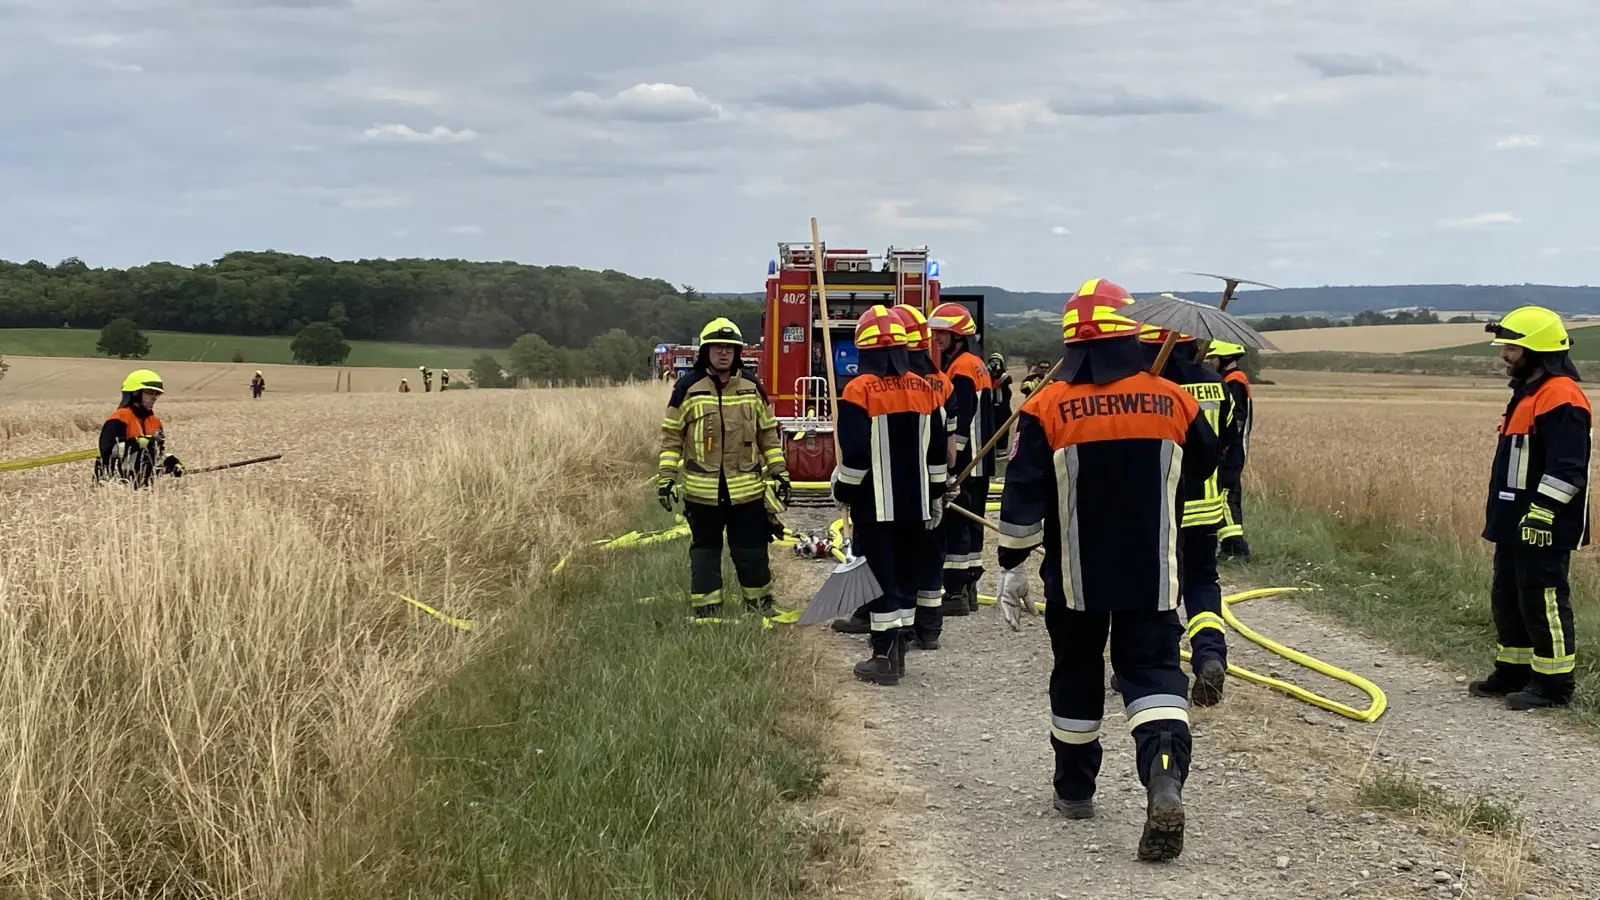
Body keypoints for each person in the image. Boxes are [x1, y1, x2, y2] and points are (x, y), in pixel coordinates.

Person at [991, 277, 1219, 862]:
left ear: (1072, 344)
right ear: (1129, 336)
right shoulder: (1175, 400)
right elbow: (1205, 463)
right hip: (1153, 572)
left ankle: (1075, 790)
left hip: (1075, 578)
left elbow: (1022, 495)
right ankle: (1163, 777)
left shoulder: (1045, 407)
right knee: (1154, 673)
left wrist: (1011, 565)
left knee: (1077, 672)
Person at [1470, 306, 1591, 710]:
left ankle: (1554, 685)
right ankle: (1514, 672)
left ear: (1537, 351)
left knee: (1543, 600)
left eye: (1511, 348)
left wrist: (1541, 512)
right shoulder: (1528, 392)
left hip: (1544, 522)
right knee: (1509, 596)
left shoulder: (1561, 396)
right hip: (1514, 520)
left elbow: (1568, 469)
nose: (1504, 355)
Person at [832, 306, 948, 684]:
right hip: (916, 506)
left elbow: (855, 454)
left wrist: (843, 490)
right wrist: (936, 494)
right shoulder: (925, 389)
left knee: (879, 579)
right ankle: (898, 655)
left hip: (875, 507)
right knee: (906, 578)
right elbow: (936, 452)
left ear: (864, 350)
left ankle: (883, 656)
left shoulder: (858, 390)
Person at [657, 317, 790, 619]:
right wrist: (666, 478)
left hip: (747, 493)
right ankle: (708, 611)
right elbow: (672, 437)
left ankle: (759, 606)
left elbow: (768, 435)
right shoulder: (687, 388)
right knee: (705, 553)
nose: (724, 352)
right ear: (705, 351)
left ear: (738, 352)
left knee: (752, 551)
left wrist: (779, 471)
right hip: (702, 494)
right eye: (717, 347)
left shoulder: (752, 387)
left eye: (729, 347)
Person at [1140, 322, 1239, 707]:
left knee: (1160, 587)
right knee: (1202, 583)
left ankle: (1159, 662)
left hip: (1163, 507)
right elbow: (1227, 443)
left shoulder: (1150, 387)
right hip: (1207, 507)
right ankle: (1210, 655)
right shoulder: (1216, 383)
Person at [928, 301, 995, 618]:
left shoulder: (961, 369)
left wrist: (952, 465)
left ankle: (955, 592)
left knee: (957, 525)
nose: (936, 338)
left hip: (968, 461)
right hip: (983, 460)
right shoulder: (977, 363)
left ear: (958, 335)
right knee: (973, 523)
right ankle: (969, 589)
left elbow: (962, 420)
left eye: (942, 333)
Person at [96, 369, 184, 488]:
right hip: (115, 489)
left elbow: (156, 453)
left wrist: (170, 462)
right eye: (150, 393)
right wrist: (139, 442)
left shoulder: (155, 422)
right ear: (135, 394)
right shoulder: (119, 418)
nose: (154, 398)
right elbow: (109, 451)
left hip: (144, 488)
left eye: (156, 394)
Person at [1206, 342, 1253, 562]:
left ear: (1224, 358)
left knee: (1226, 495)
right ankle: (1229, 545)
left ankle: (1236, 548)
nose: (1210, 362)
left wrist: (1223, 444)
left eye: (1213, 358)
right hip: (1233, 449)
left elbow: (1236, 419)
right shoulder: (1235, 379)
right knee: (1228, 494)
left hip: (1231, 450)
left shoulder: (1234, 381)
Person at [988, 351, 1015, 449]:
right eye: (992, 361)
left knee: (1002, 433)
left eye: (997, 361)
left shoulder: (1004, 377)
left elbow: (1005, 380)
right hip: (991, 409)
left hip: (1003, 410)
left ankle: (1001, 451)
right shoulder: (987, 377)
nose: (994, 363)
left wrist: (998, 371)